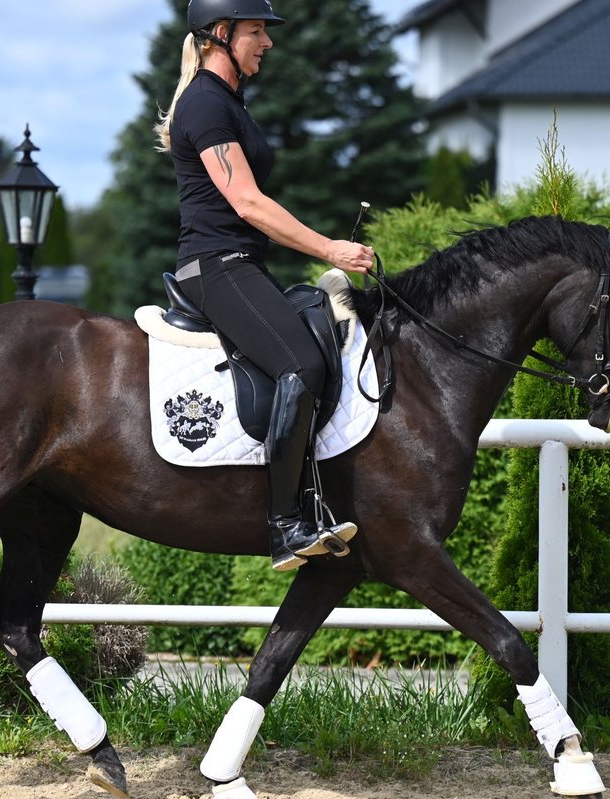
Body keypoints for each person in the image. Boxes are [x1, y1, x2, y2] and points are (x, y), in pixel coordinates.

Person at [156, 0, 375, 572]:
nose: (268, 43)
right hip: (215, 268)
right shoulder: (205, 103)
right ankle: (287, 526)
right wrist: (330, 249)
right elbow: (248, 203)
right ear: (221, 35)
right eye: (257, 32)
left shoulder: (228, 101)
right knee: (301, 365)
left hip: (242, 267)